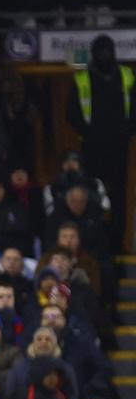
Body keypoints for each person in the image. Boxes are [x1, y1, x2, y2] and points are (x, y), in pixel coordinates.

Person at [66, 34, 136, 248]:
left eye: (108, 50)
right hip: (93, 148)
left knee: (118, 196)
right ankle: (95, 243)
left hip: (119, 147)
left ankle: (117, 242)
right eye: (100, 51)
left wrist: (128, 131)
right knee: (93, 196)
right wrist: (88, 132)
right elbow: (71, 113)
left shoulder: (127, 75)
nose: (105, 55)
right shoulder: (82, 79)